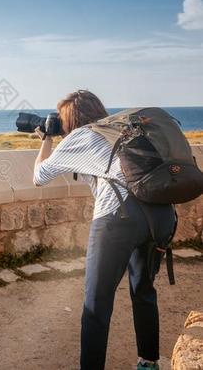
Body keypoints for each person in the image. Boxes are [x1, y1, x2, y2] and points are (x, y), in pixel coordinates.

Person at [32, 90, 176, 370]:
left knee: (96, 304)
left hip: (118, 217)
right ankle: (148, 363)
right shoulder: (122, 131)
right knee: (143, 290)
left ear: (70, 120)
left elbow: (39, 177)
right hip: (160, 214)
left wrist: (47, 139)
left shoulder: (81, 136)